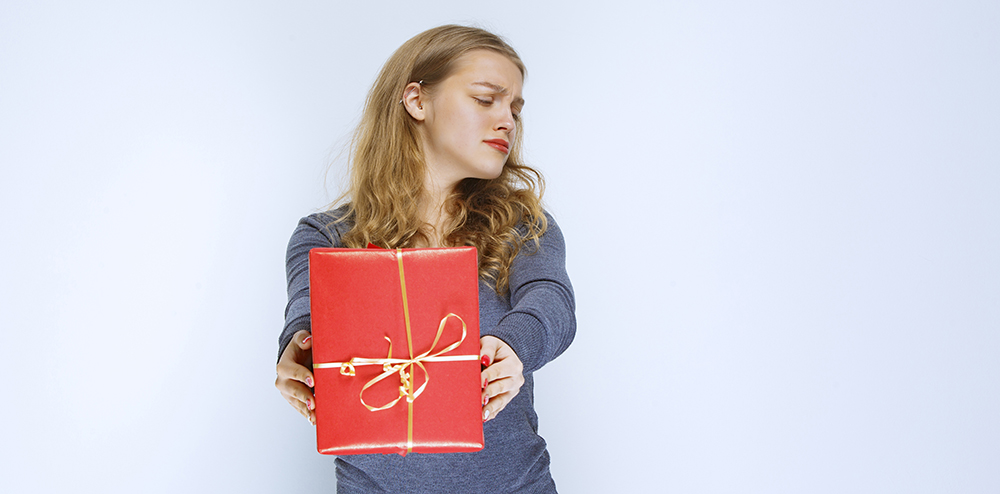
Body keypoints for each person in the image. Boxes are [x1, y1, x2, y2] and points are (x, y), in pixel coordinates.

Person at [275, 24, 576, 493]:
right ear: (416, 101)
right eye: (485, 99)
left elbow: (551, 302)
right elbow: (308, 310)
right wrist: (299, 346)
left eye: (514, 107)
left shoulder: (521, 223)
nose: (507, 121)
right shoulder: (327, 235)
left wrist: (516, 345)